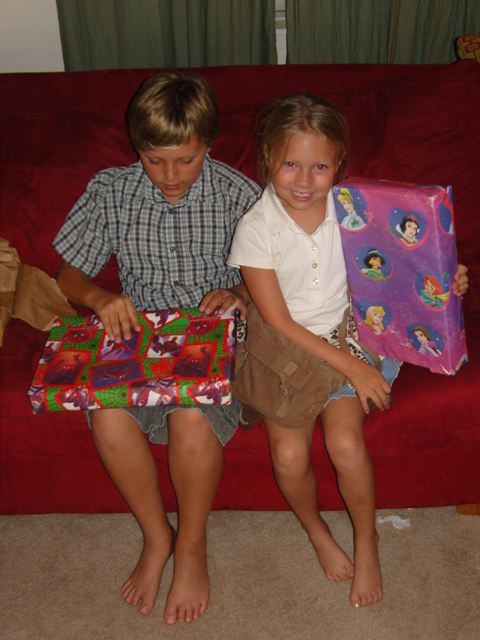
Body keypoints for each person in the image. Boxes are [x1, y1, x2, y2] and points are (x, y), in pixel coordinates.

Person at [227, 93, 469, 608]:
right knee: (288, 455)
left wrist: (448, 279)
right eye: (290, 164)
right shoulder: (255, 228)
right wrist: (355, 369)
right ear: (268, 158)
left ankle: (367, 540)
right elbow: (278, 321)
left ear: (338, 164)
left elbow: (406, 264)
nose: (303, 180)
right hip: (285, 348)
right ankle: (316, 530)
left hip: (347, 331)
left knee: (345, 443)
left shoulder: (355, 209)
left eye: (319, 166)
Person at [53, 71, 261, 624]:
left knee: (191, 418)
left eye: (185, 160)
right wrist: (99, 298)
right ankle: (156, 537)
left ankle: (191, 546)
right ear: (136, 147)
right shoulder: (111, 190)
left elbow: (278, 274)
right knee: (107, 416)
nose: (169, 176)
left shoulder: (240, 195)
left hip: (212, 340)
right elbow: (68, 275)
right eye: (154, 160)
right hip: (138, 337)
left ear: (208, 145)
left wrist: (241, 293)